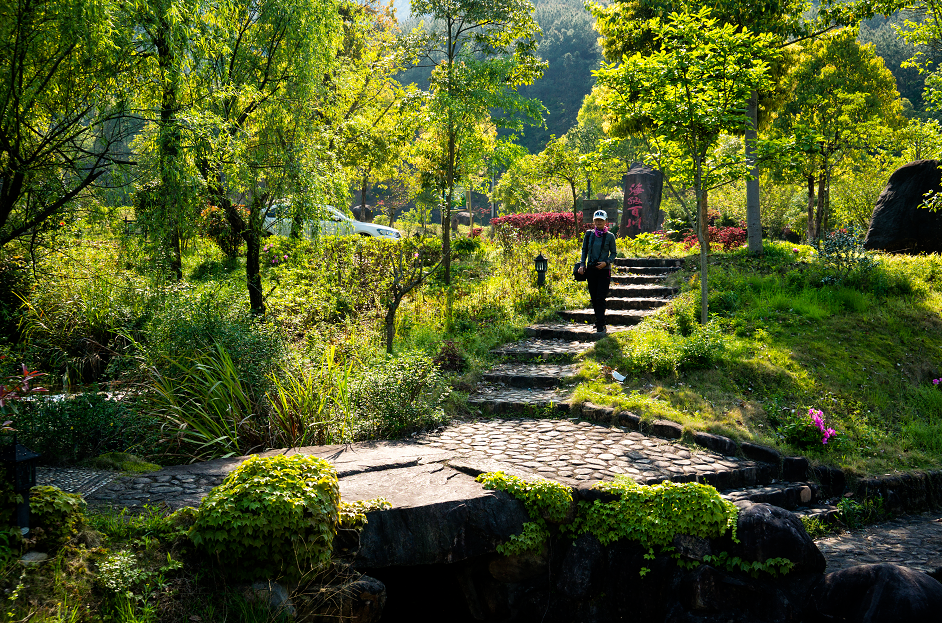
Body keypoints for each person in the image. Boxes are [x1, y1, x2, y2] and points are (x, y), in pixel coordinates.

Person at [577, 210, 617, 334]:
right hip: (591, 269)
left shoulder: (610, 236)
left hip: (604, 270)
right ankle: (599, 320)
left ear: (605, 221)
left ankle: (600, 323)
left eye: (601, 220)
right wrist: (582, 264)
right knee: (594, 297)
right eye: (597, 220)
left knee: (601, 297)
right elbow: (584, 250)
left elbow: (614, 253)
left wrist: (606, 262)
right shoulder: (589, 234)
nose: (599, 222)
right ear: (593, 221)